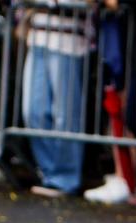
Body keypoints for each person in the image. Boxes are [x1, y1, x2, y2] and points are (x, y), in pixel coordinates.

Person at [21, 0, 95, 197]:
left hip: (69, 40)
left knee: (65, 114)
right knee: (32, 111)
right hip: (38, 36)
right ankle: (49, 172)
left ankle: (65, 178)